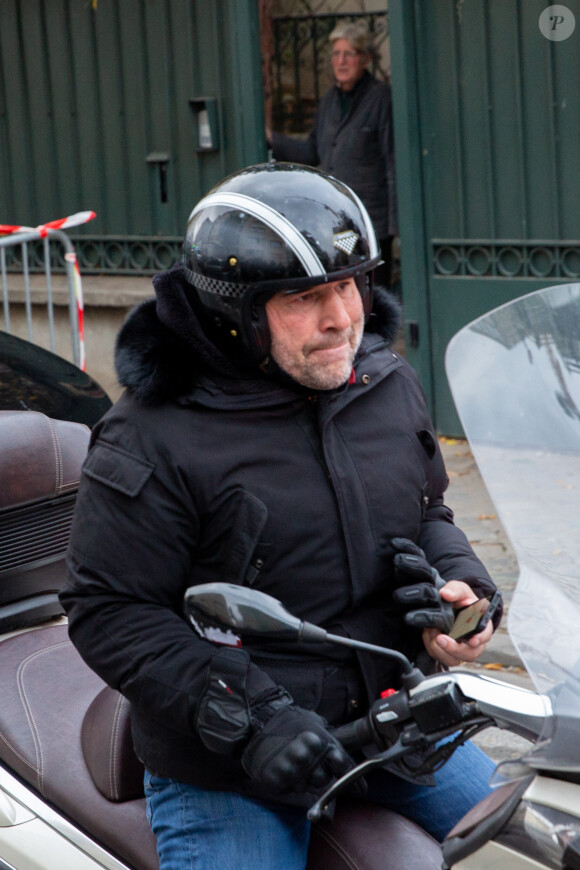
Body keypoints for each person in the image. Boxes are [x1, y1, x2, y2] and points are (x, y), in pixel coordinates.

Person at [60, 162, 501, 870]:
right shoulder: (152, 434)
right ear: (235, 314)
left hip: (389, 717)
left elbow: (427, 511)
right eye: (304, 297)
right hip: (229, 763)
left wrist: (461, 586)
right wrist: (254, 722)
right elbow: (110, 611)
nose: (342, 319)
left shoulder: (383, 381)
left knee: (540, 841)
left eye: (349, 284)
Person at [267, 21, 397, 288]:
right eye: (336, 54)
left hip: (372, 219)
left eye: (349, 54)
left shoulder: (381, 98)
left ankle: (377, 330)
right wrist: (271, 138)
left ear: (365, 59)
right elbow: (312, 151)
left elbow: (392, 160)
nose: (341, 61)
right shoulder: (328, 101)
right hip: (339, 216)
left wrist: (394, 225)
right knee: (347, 282)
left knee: (376, 287)